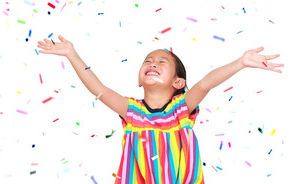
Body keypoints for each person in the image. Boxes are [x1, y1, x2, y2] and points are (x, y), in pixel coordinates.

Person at [37, 36, 284, 183]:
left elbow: (206, 83)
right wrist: (72, 54)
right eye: (148, 61)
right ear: (139, 79)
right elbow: (98, 88)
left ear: (178, 83)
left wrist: (240, 62)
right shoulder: (131, 111)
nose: (153, 63)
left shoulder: (182, 109)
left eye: (161, 62)